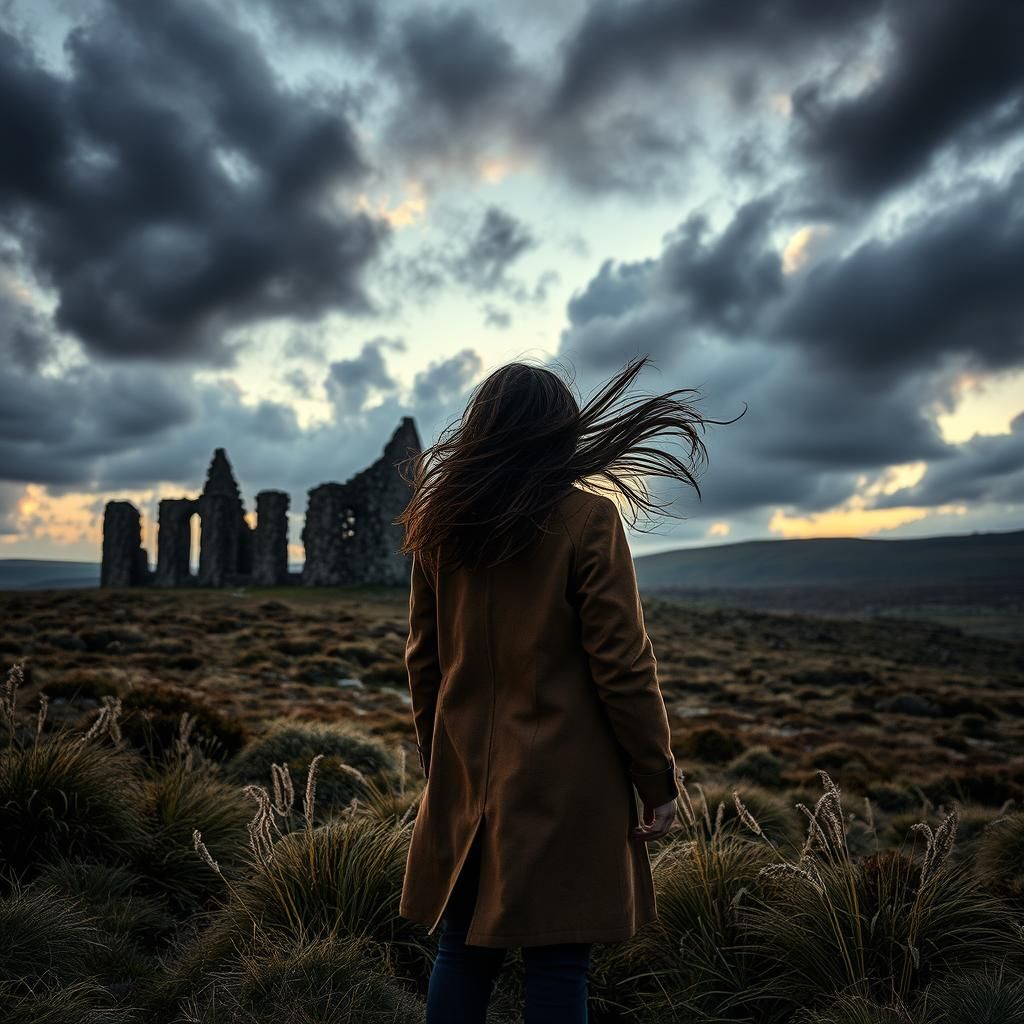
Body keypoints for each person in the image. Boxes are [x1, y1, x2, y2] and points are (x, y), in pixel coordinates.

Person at [396, 355, 744, 1023]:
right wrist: (655, 778)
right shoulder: (587, 518)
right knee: (557, 961)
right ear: (558, 431)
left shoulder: (439, 527)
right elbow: (622, 663)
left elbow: (424, 661)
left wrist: (443, 764)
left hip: (468, 776)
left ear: (481, 429)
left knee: (462, 951)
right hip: (566, 782)